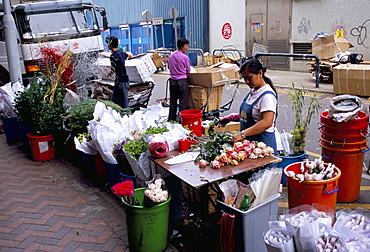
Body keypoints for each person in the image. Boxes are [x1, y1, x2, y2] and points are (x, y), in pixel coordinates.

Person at [219, 58, 278, 152]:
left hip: (263, 148)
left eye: (249, 77)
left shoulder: (267, 96)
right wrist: (230, 118)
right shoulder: (253, 91)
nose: (247, 81)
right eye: (244, 78)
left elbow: (267, 122)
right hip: (250, 146)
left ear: (260, 73)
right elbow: (250, 116)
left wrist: (242, 134)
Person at [167, 38, 192, 122]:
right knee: (183, 101)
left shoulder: (171, 56)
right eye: (186, 46)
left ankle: (171, 119)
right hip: (182, 81)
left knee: (173, 101)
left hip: (172, 81)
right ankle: (182, 120)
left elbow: (168, 67)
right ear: (181, 47)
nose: (187, 48)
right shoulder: (184, 57)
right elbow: (188, 70)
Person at [106, 36, 132, 108]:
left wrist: (109, 74)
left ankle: (128, 116)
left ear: (111, 45)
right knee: (114, 100)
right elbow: (130, 56)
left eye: (108, 44)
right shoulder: (121, 53)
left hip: (121, 81)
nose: (108, 46)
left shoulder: (113, 56)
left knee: (124, 102)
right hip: (123, 80)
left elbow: (113, 69)